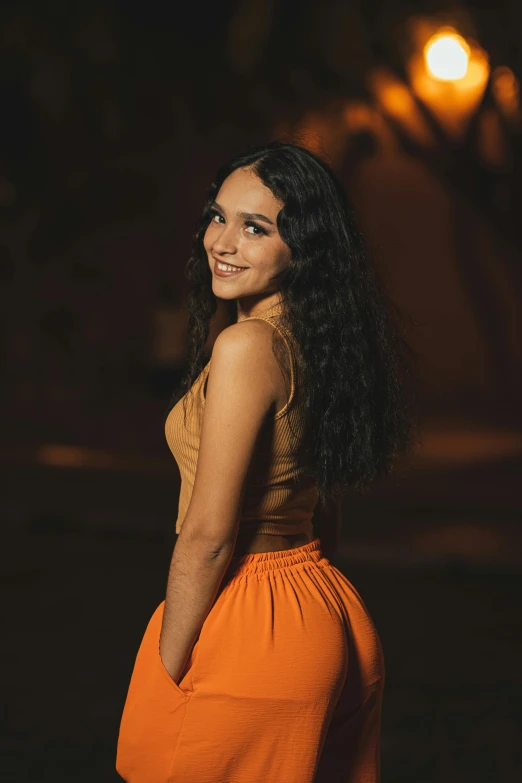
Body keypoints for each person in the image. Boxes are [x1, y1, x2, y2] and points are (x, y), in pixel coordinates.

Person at [116, 140, 416, 782]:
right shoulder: (321, 344)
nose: (223, 241)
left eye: (255, 227)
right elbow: (321, 505)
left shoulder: (247, 347)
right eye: (218, 216)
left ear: (303, 248)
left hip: (249, 620)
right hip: (323, 608)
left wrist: (167, 671)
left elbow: (207, 536)